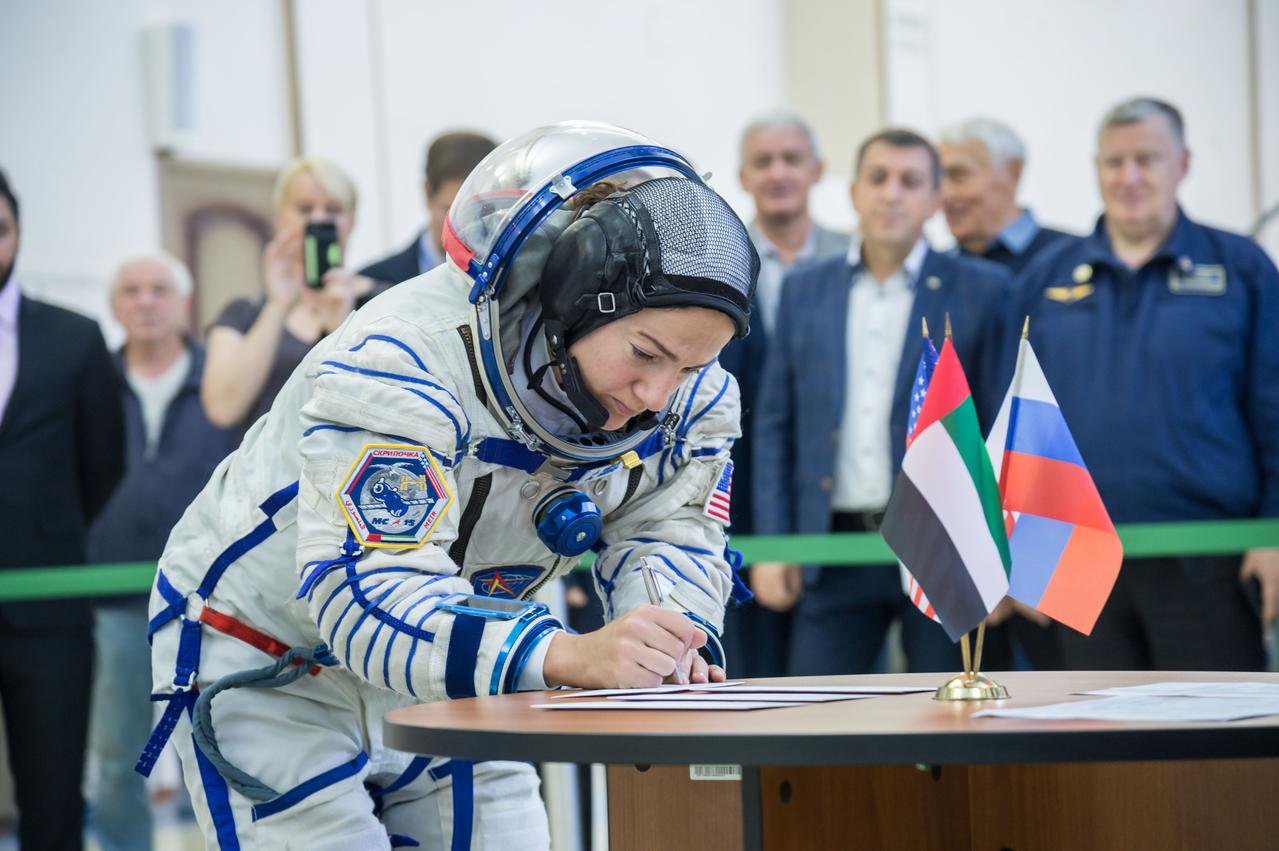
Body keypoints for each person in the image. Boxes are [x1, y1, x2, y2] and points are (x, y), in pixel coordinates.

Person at [141, 122, 758, 848]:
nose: (659, 393)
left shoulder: (695, 396)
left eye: (688, 366)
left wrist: (668, 642)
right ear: (572, 295)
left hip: (466, 650)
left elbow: (670, 529)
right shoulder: (401, 362)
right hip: (266, 659)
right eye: (646, 354)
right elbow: (369, 594)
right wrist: (567, 656)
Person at [1013, 97, 1279, 671]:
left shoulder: (1242, 269)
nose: (1129, 177)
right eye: (1114, 162)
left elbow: (1273, 408)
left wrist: (1273, 534)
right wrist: (1022, 549)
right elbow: (1015, 418)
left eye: (1147, 160)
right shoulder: (1045, 278)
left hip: (1209, 558)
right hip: (1075, 559)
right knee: (1094, 747)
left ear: (1182, 164)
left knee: (1213, 749)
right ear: (1097, 168)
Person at [752, 129, 1012, 676]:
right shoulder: (805, 289)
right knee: (815, 716)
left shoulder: (984, 290)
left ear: (935, 199)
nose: (892, 194)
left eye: (911, 181)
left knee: (945, 720)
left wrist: (1002, 558)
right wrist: (776, 544)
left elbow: (999, 429)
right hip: (832, 546)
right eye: (878, 178)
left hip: (943, 543)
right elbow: (777, 425)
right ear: (853, 193)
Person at [85, 253, 236, 851]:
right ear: (115, 305)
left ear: (182, 303)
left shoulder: (220, 380)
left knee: (226, 735)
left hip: (208, 595)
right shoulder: (90, 381)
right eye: (131, 291)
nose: (146, 301)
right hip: (112, 594)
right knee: (116, 747)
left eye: (158, 290)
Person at [0, 168, 125, 851]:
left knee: (52, 794)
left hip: (48, 608)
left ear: (17, 234)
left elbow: (102, 464)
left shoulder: (72, 338)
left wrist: (42, 530)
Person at [719, 112, 848, 678]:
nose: (779, 173)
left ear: (817, 170)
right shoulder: (715, 259)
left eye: (792, 159)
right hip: (738, 476)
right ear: (742, 176)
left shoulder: (857, 258)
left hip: (834, 486)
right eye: (763, 161)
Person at [202, 156, 385, 437]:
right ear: (280, 217)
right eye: (305, 209)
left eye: (333, 209)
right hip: (267, 476)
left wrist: (339, 328)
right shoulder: (244, 314)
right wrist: (277, 305)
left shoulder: (383, 304)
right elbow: (223, 409)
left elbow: (378, 406)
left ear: (352, 220)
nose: (319, 220)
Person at [938, 117, 1074, 275]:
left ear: (1013, 172)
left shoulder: (1073, 259)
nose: (944, 194)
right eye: (937, 179)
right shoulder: (932, 275)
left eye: (959, 176)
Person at [360, 131, 498, 284]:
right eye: (451, 212)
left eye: (478, 212)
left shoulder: (520, 285)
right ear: (427, 194)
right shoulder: (371, 285)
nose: (464, 229)